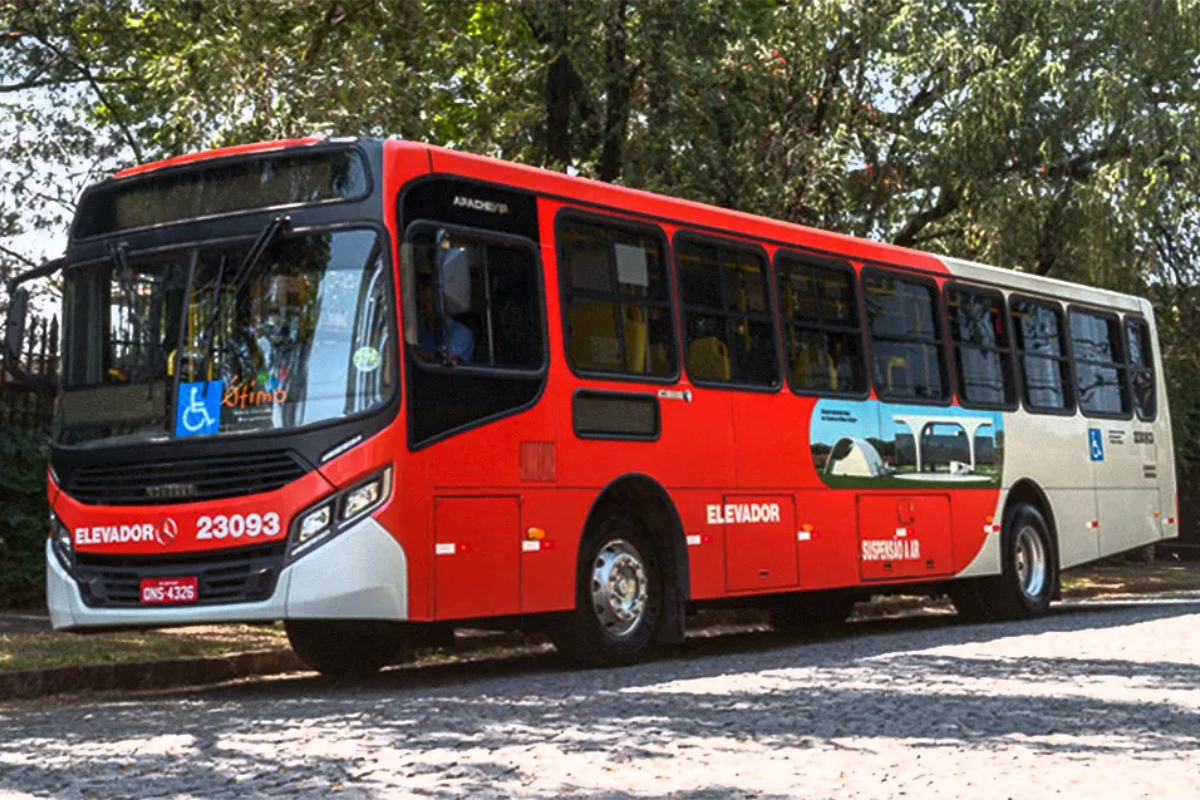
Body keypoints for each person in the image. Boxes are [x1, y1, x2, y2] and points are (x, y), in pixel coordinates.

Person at [417, 278, 475, 364]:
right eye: (421, 303)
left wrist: (416, 354)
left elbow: (447, 360)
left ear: (441, 305)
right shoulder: (417, 333)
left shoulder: (462, 333)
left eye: (428, 302)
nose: (423, 308)